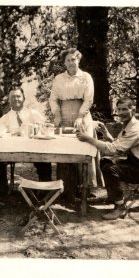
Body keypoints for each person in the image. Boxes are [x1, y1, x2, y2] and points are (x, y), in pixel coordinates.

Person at [76, 97, 139, 220]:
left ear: (133, 110)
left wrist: (89, 139)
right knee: (105, 161)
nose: (120, 113)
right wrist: (105, 133)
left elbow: (114, 150)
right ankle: (114, 197)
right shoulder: (129, 125)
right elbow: (118, 144)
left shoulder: (136, 129)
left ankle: (119, 207)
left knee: (111, 169)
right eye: (118, 109)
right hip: (135, 163)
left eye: (124, 109)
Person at [49, 48, 98, 202]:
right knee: (64, 149)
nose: (71, 63)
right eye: (68, 60)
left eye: (74, 59)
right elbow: (53, 98)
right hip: (63, 113)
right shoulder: (58, 79)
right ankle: (66, 190)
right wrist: (57, 113)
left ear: (78, 60)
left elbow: (89, 99)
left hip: (81, 113)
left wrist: (80, 116)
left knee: (83, 148)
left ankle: (84, 189)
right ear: (64, 63)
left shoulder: (85, 77)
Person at [0, 87, 52, 182]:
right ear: (9, 100)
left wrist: (35, 129)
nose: (16, 99)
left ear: (24, 98)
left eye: (18, 96)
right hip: (11, 151)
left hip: (34, 150)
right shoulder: (5, 118)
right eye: (13, 97)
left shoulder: (33, 114)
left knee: (45, 160)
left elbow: (44, 130)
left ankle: (44, 189)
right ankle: (2, 191)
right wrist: (12, 132)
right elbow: (1, 134)